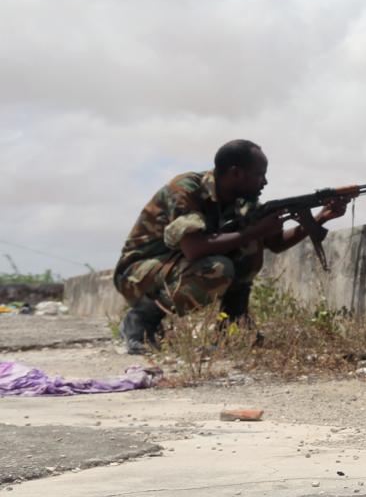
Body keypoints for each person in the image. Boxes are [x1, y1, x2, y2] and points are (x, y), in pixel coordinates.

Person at [112, 140, 346, 354]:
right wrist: (255, 231)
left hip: (175, 266)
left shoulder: (245, 201)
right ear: (236, 173)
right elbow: (193, 248)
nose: (264, 182)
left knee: (249, 247)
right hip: (138, 273)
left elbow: (275, 244)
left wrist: (320, 218)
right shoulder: (186, 189)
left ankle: (233, 324)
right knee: (218, 267)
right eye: (259, 175)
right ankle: (140, 320)